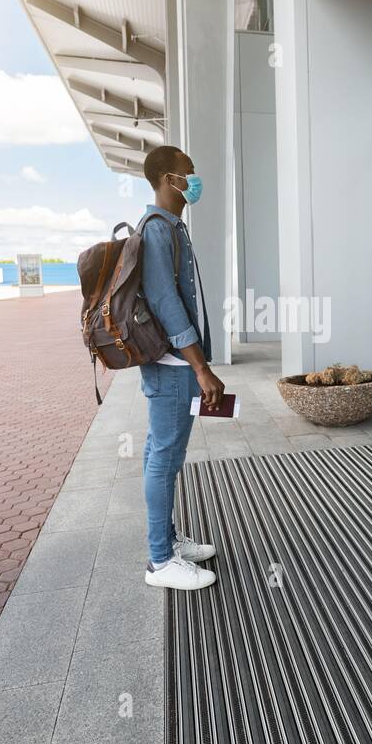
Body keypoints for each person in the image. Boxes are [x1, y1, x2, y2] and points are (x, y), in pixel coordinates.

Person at [137, 145, 225, 590]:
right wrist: (201, 368)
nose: (194, 181)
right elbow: (166, 303)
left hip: (175, 363)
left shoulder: (174, 228)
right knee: (164, 458)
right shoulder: (157, 229)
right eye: (189, 173)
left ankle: (167, 541)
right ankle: (159, 561)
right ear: (168, 179)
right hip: (172, 364)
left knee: (162, 453)